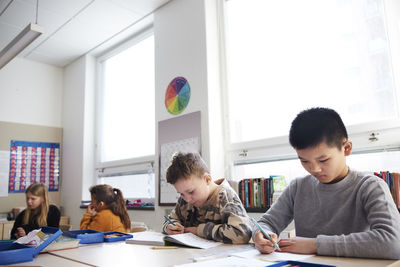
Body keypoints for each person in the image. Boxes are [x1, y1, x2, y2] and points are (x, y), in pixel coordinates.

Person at [253, 107, 400, 259]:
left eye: (323, 160)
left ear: (346, 148)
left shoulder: (370, 186)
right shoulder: (297, 187)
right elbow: (266, 223)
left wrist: (315, 245)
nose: (314, 169)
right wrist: (261, 235)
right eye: (304, 160)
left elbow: (393, 243)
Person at [162, 152, 252, 244]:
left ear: (207, 180)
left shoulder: (225, 196)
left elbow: (243, 234)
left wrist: (199, 231)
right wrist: (169, 227)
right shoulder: (185, 197)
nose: (187, 199)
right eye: (181, 194)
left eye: (191, 192)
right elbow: (171, 219)